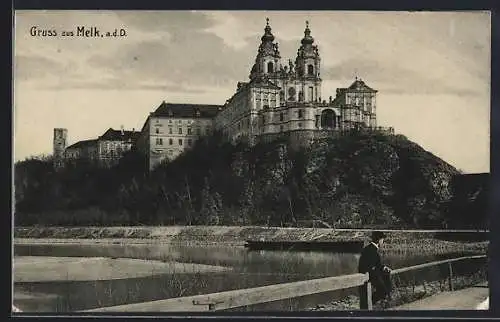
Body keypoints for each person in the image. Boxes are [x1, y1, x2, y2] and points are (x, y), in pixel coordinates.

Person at [358, 231, 392, 309]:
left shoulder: (371, 248)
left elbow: (376, 264)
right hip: (368, 275)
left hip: (369, 274)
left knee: (384, 289)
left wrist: (383, 267)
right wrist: (379, 272)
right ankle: (370, 302)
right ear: (379, 240)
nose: (383, 242)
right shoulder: (371, 250)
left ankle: (369, 303)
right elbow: (370, 266)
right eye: (383, 240)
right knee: (383, 290)